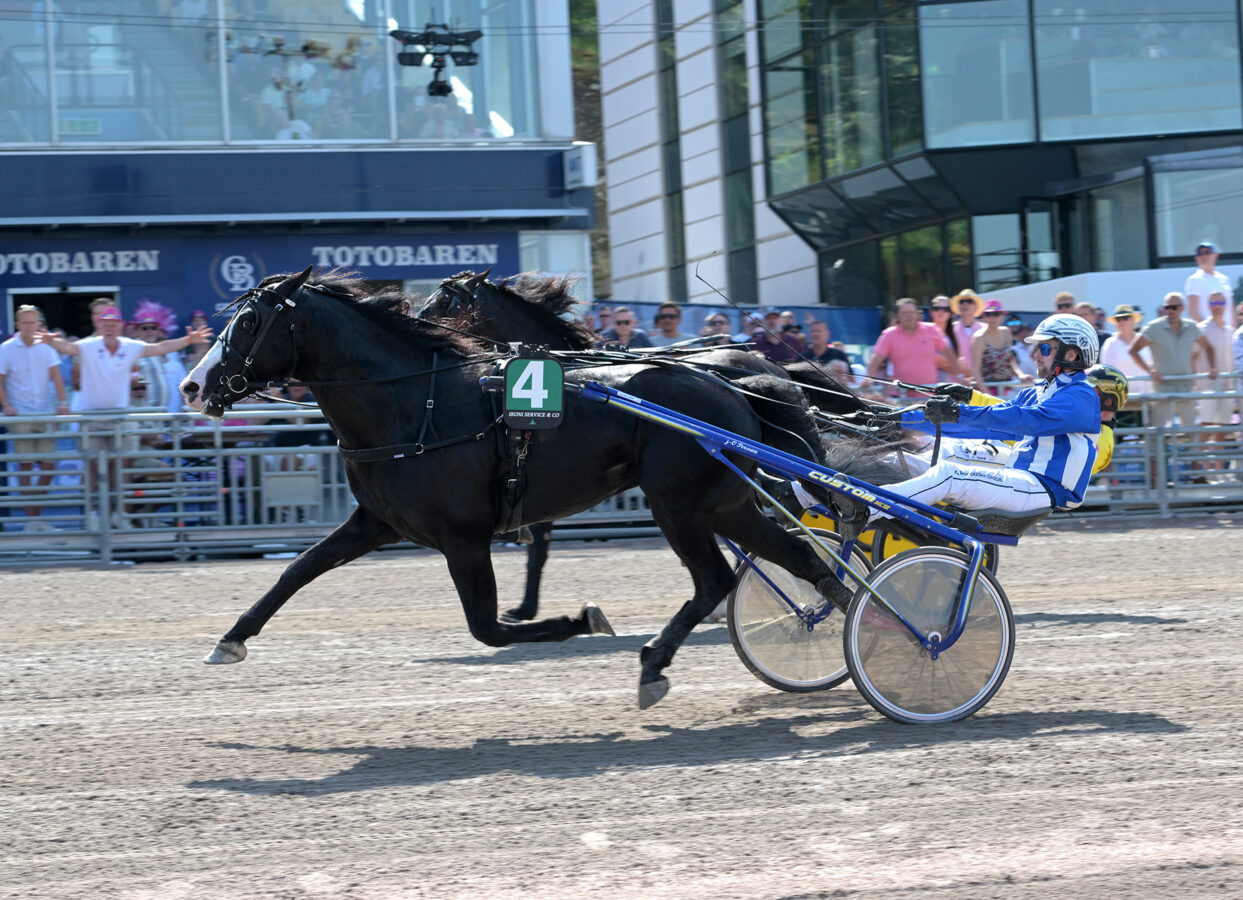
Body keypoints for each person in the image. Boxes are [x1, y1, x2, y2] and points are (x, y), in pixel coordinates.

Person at [873, 313, 1103, 516]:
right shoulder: (1034, 394)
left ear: (1071, 355)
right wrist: (899, 419)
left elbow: (1026, 420)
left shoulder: (1081, 395)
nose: (1036, 355)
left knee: (948, 475)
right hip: (1022, 481)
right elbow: (982, 426)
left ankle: (869, 509)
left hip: (1048, 488)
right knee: (910, 462)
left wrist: (957, 412)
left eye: (1044, 348)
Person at [38, 307, 213, 527]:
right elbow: (69, 347)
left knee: (121, 467)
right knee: (92, 468)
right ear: (99, 326)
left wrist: (188, 340)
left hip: (120, 417)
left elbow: (159, 347)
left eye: (113, 323)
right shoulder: (89, 346)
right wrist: (51, 342)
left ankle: (119, 514)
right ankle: (92, 515)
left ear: (120, 326)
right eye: (105, 323)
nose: (109, 327)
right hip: (92, 418)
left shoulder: (130, 347)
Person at [0, 305, 70, 529]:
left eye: (34, 323)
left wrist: (62, 402)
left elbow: (57, 377)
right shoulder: (6, 348)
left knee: (49, 467)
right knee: (25, 467)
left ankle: (35, 517)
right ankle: (33, 520)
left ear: (39, 324)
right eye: (26, 323)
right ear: (17, 325)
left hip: (44, 412)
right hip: (20, 414)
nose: (30, 327)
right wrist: (6, 405)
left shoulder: (46, 347)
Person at [1128, 292, 1216, 431]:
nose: (1170, 311)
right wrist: (1150, 371)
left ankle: (1192, 451)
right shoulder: (1154, 327)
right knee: (1157, 430)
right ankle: (1155, 453)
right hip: (1163, 385)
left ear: (1182, 308)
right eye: (1167, 307)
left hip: (1185, 385)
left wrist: (1212, 368)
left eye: (1174, 307)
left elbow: (1209, 348)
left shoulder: (1192, 327)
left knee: (1191, 429)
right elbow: (1133, 350)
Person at [866, 298, 962, 399]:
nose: (909, 315)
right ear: (897, 315)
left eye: (912, 312)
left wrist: (960, 376)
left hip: (929, 395)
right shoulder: (889, 335)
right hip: (901, 395)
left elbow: (950, 355)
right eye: (904, 313)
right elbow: (875, 360)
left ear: (917, 314)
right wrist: (868, 378)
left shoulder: (931, 329)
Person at [1192, 292, 1236, 479]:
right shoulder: (1201, 329)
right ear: (1208, 305)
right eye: (1213, 302)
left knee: (1220, 431)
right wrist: (1195, 382)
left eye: (1220, 302)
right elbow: (1192, 357)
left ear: (1225, 305)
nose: (1217, 305)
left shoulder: (1230, 331)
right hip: (1207, 387)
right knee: (1206, 429)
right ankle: (1205, 472)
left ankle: (1218, 471)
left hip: (1226, 388)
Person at [970, 299, 1032, 394]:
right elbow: (975, 370)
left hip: (1007, 386)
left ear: (1002, 316)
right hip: (988, 387)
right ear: (984, 317)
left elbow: (1010, 359)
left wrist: (1021, 375)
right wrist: (986, 393)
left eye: (996, 314)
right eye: (988, 314)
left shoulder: (1006, 332)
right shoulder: (979, 337)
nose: (992, 318)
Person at [1184, 240, 1235, 329]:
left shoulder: (1224, 279)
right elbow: (1193, 312)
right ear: (1196, 258)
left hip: (1227, 334)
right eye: (1200, 254)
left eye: (1207, 252)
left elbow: (1231, 309)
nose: (1203, 256)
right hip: (1207, 335)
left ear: (1215, 256)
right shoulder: (1194, 279)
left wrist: (1231, 331)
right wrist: (1211, 330)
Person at [949, 289, 984, 382]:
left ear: (976, 307)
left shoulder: (985, 328)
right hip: (959, 381)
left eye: (969, 301)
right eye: (962, 302)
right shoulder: (950, 329)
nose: (965, 304)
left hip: (983, 381)